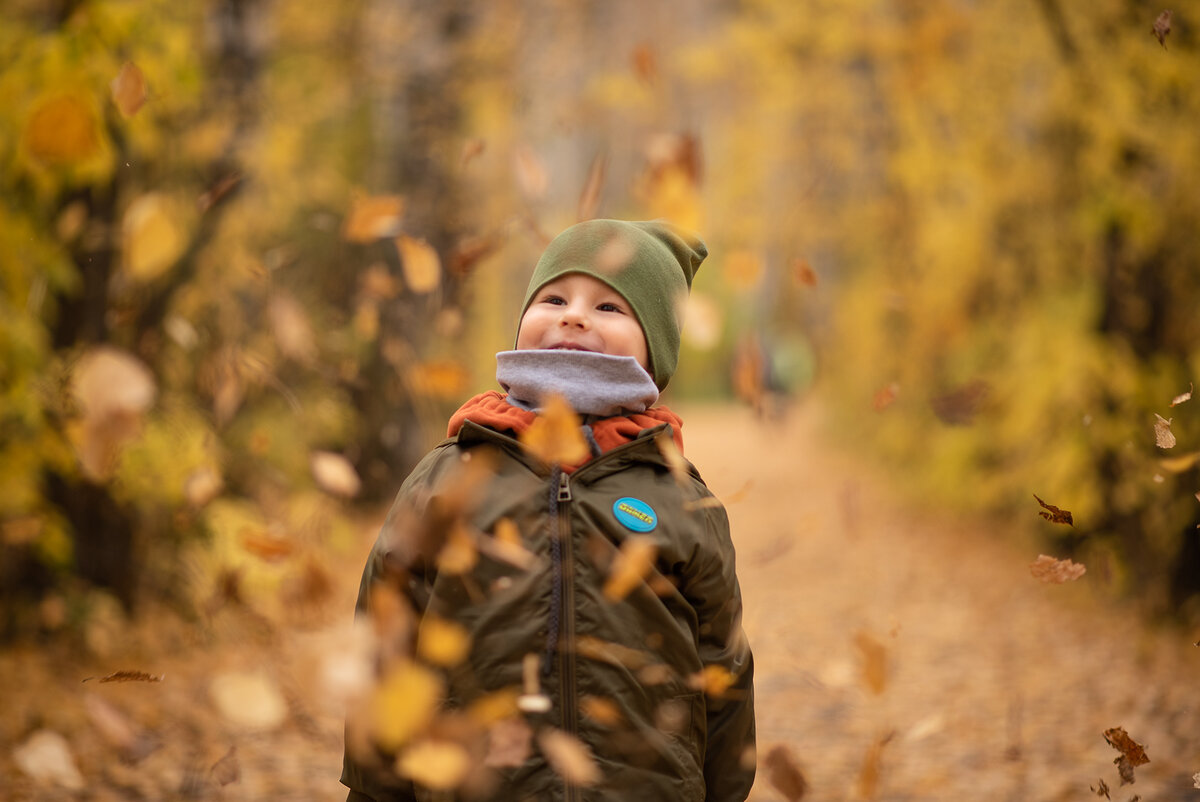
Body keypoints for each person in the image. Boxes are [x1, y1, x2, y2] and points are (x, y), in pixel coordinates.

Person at [342, 219, 756, 801]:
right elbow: (386, 633)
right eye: (554, 298)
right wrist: (374, 788)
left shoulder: (679, 496)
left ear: (654, 349)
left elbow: (724, 663)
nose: (574, 315)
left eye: (610, 307)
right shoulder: (451, 475)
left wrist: (724, 790)